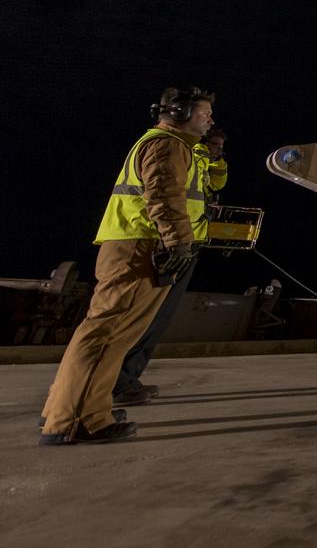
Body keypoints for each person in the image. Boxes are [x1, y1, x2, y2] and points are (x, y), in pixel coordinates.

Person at [39, 87, 216, 445]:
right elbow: (164, 196)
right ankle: (75, 421)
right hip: (141, 249)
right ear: (181, 113)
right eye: (204, 113)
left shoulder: (173, 145)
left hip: (138, 247)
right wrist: (178, 243)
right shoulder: (168, 145)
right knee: (108, 335)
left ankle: (79, 407)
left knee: (108, 333)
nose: (210, 120)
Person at [112, 126, 227, 406]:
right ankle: (115, 385)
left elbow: (216, 185)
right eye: (214, 143)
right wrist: (176, 240)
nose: (217, 149)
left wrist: (217, 160)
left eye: (221, 145)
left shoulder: (203, 161)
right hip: (159, 242)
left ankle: (127, 381)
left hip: (183, 243)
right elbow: (165, 197)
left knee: (158, 318)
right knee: (143, 319)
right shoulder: (180, 150)